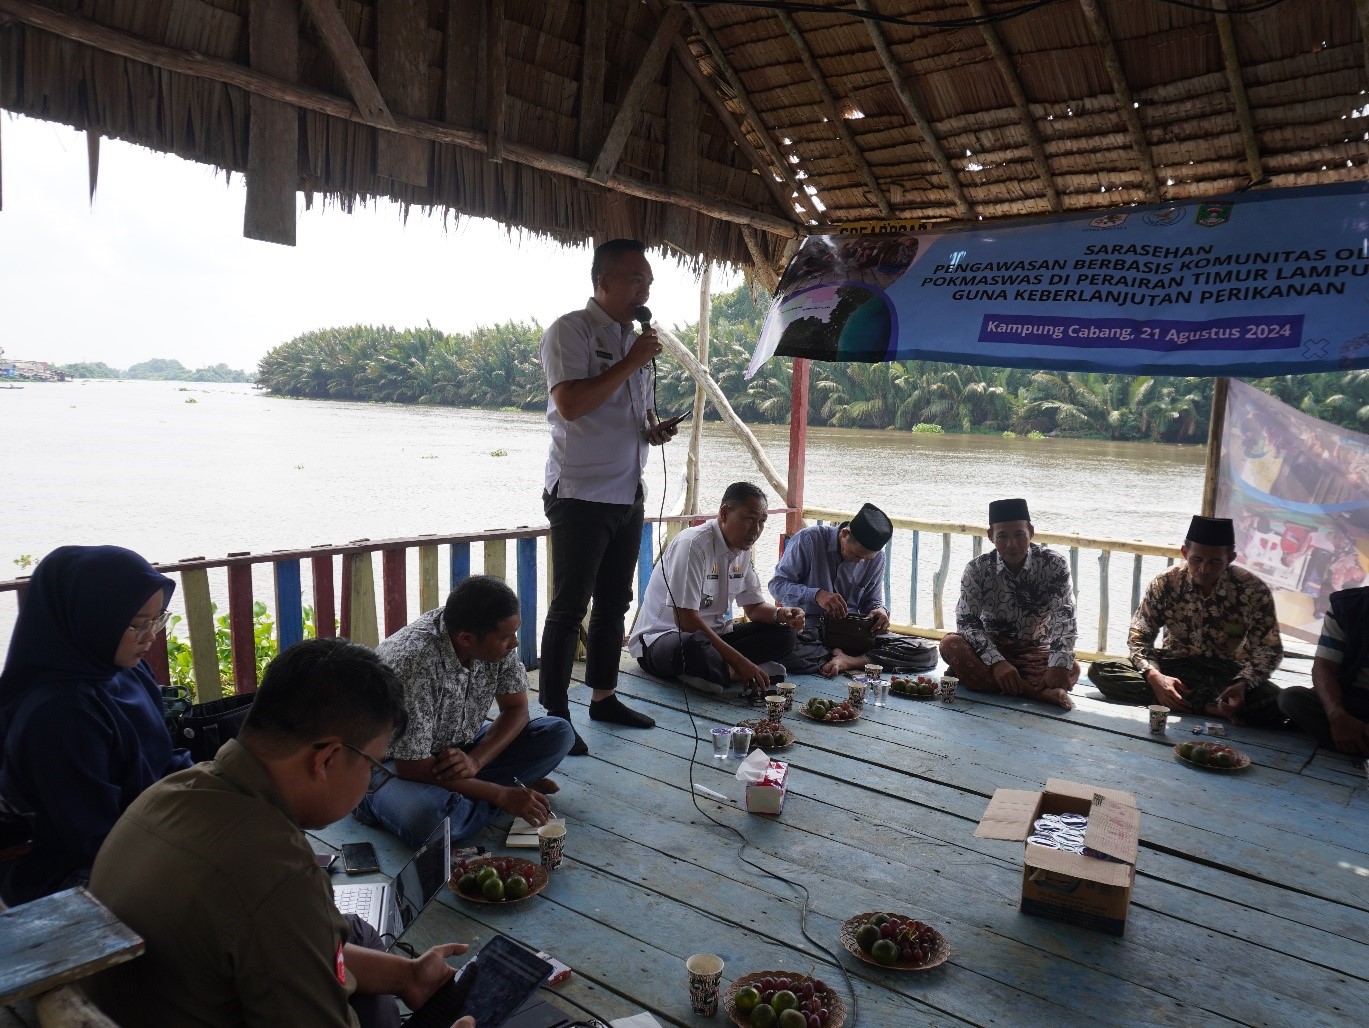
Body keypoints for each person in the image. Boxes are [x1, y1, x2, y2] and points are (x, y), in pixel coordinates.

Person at [87, 639, 474, 1028]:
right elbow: (276, 916)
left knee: (356, 943)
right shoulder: (278, 872)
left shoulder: (169, 792)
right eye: (373, 769)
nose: (369, 784)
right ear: (327, 759)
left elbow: (290, 944)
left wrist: (406, 975)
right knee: (374, 1000)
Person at [538, 238, 679, 755]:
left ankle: (603, 696)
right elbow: (572, 404)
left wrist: (651, 430)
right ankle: (554, 717)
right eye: (634, 279)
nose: (644, 289)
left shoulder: (633, 338)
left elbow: (627, 410)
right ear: (603, 282)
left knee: (614, 601)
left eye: (648, 281)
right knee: (569, 605)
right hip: (580, 492)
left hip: (627, 491)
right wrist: (630, 360)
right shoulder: (570, 330)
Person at [0, 545, 193, 905]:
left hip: (146, 829)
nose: (150, 636)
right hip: (72, 875)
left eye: (157, 619)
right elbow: (95, 837)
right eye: (136, 624)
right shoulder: (58, 712)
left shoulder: (127, 672)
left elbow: (166, 759)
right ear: (92, 618)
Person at [354, 576, 575, 848]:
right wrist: (500, 795)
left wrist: (475, 762)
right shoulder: (414, 662)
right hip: (389, 766)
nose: (515, 644)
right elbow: (411, 765)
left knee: (558, 734)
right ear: (466, 639)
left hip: (457, 752)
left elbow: (517, 710)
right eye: (506, 637)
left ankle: (475, 797)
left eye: (514, 633)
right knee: (429, 820)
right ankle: (501, 794)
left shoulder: (494, 642)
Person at [1088, 515, 1285, 726]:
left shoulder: (1252, 589)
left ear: (1230, 558)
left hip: (1224, 673)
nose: (1204, 569)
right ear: (1185, 553)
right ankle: (1212, 708)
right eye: (1197, 559)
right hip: (1174, 667)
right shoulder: (1166, 582)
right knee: (1101, 670)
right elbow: (1139, 634)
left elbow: (1269, 649)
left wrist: (1243, 684)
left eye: (1214, 562)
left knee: (1280, 703)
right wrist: (1155, 678)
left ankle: (1189, 703)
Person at [629, 482, 806, 696]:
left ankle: (715, 672)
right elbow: (685, 621)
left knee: (785, 634)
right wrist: (739, 661)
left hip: (717, 637)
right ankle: (732, 672)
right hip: (665, 640)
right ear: (724, 513)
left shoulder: (743, 549)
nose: (756, 530)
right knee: (692, 647)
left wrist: (781, 614)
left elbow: (754, 607)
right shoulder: (693, 545)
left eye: (761, 522)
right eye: (749, 519)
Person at [939, 499, 1080, 710]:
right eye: (1002, 536)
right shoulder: (977, 570)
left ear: (1030, 532)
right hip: (992, 647)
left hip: (1034, 648)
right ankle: (1037, 693)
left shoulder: (1054, 564)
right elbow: (967, 623)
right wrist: (997, 662)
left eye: (1019, 535)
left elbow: (1065, 616)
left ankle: (997, 682)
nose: (1011, 544)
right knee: (950, 644)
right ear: (990, 536)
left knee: (1071, 667)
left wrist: (1058, 665)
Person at [769, 502, 893, 676]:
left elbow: (872, 601)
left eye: (867, 559)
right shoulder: (809, 539)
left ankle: (846, 661)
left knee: (923, 652)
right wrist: (816, 595)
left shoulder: (877, 558)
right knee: (781, 651)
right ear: (844, 534)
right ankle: (853, 660)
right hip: (811, 633)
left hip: (854, 634)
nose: (859, 562)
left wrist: (879, 611)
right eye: (857, 555)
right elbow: (777, 585)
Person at [1278, 586, 1369, 756]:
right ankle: (1350, 735)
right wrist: (1337, 715)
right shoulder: (1347, 607)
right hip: (1349, 700)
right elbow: (1324, 667)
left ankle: (1349, 740)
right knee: (1291, 699)